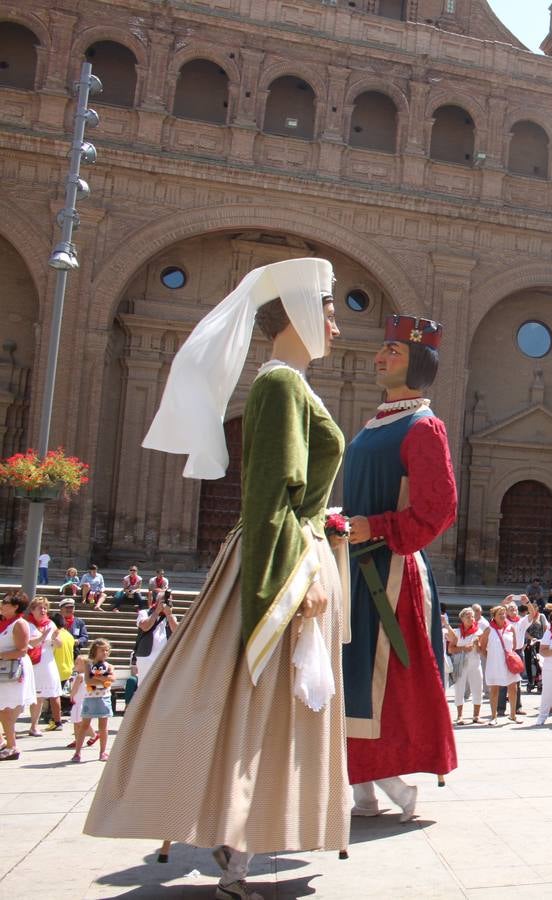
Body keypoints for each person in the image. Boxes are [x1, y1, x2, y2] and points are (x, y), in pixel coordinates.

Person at [85, 257, 349, 898]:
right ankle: (235, 847)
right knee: (254, 699)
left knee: (263, 705)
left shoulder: (289, 384)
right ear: (301, 316)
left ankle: (242, 839)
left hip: (291, 552)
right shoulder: (281, 386)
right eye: (332, 312)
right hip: (277, 562)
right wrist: (285, 585)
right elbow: (268, 498)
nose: (339, 327)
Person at [342, 314, 458, 824]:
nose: (381, 356)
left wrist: (378, 528)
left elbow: (438, 509)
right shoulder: (376, 423)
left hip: (390, 572)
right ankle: (364, 786)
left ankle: (390, 778)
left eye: (394, 350)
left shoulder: (423, 426)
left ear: (418, 363)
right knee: (353, 672)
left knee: (382, 677)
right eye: (383, 348)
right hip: (355, 564)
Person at [0, 591, 35, 761]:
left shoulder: (20, 624)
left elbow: (22, 651)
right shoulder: (4, 622)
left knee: (5, 710)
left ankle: (12, 745)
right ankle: (3, 742)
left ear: (15, 606)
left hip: (11, 672)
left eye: (5, 602)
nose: (2, 603)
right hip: (2, 669)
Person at [25, 597, 63, 735]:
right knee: (34, 695)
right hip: (33, 662)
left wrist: (55, 638)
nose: (43, 610)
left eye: (45, 608)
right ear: (32, 610)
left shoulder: (50, 624)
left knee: (45, 695)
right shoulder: (27, 624)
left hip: (47, 661)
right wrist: (42, 637)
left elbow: (59, 645)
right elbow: (28, 643)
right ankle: (31, 725)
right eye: (40, 608)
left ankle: (37, 725)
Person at [72, 639, 114, 763]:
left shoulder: (109, 666)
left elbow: (111, 680)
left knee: (103, 727)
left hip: (104, 698)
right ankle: (77, 752)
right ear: (95, 650)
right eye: (102, 650)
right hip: (90, 698)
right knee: (84, 725)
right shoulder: (88, 664)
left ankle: (103, 752)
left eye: (107, 650)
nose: (105, 653)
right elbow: (89, 681)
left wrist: (98, 677)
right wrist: (103, 679)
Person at [482, 605, 521, 725]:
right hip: (494, 664)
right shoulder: (489, 629)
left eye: (504, 613)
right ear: (493, 616)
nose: (503, 616)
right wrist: (492, 658)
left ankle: (513, 715)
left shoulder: (511, 628)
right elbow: (482, 647)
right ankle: (494, 717)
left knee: (513, 688)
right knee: (494, 690)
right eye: (500, 614)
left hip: (509, 663)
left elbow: (514, 646)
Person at [449, 608, 484, 724]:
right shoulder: (457, 632)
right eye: (468, 616)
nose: (471, 619)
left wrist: (478, 646)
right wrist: (463, 648)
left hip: (475, 664)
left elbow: (482, 651)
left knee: (478, 688)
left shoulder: (478, 632)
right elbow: (450, 649)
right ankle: (460, 716)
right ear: (462, 618)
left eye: (472, 616)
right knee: (459, 689)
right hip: (460, 664)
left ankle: (476, 716)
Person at [133, 592, 177, 682]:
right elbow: (145, 627)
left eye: (169, 601)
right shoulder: (144, 613)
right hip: (146, 657)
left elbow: (177, 632)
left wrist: (169, 615)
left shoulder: (171, 617)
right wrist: (156, 612)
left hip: (165, 658)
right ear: (157, 601)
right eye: (164, 601)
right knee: (143, 685)